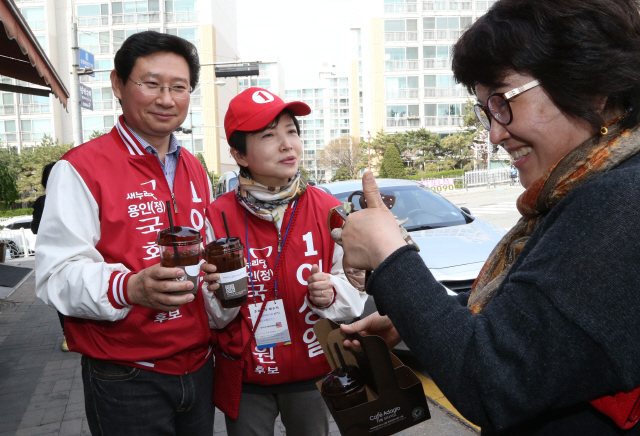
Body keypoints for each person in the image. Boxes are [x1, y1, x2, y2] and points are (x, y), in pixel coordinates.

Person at [338, 0, 640, 434]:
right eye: (486, 110)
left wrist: (389, 253)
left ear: (589, 82)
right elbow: (536, 324)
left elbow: (493, 379)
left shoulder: (621, 201)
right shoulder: (584, 189)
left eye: (503, 101)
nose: (495, 134)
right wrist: (416, 320)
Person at [35, 31, 222, 436]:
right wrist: (129, 288)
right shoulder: (81, 168)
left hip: (197, 365)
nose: (166, 99)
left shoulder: (194, 167)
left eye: (179, 87)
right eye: (151, 84)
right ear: (118, 86)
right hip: (126, 375)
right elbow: (56, 274)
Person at [201, 87, 367, 436]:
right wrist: (223, 296)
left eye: (291, 131)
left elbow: (354, 290)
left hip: (313, 374)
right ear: (239, 154)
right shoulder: (216, 217)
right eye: (268, 135)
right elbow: (211, 316)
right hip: (247, 375)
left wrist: (332, 294)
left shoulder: (328, 209)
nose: (286, 143)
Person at [31, 162, 69, 351]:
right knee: (61, 293)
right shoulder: (42, 202)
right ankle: (67, 335)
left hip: (79, 252)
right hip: (56, 255)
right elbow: (35, 228)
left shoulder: (75, 198)